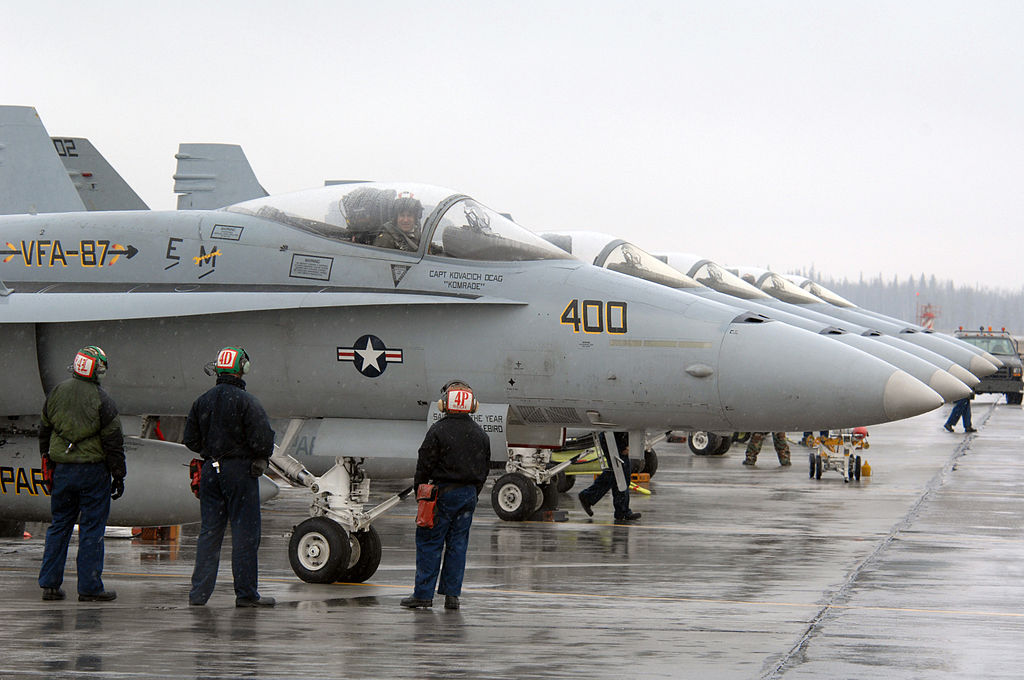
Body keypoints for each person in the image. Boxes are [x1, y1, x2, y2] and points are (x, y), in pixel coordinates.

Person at [184, 347, 276, 607]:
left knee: (209, 533)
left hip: (210, 471)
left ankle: (198, 595)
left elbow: (190, 439)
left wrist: (211, 450)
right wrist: (252, 454)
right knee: (245, 534)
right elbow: (263, 440)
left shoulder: (202, 400)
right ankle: (246, 594)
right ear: (241, 368)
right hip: (239, 473)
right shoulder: (247, 401)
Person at [38, 346, 126, 602]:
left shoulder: (56, 392)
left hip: (62, 471)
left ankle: (50, 585)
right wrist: (119, 474)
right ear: (97, 370)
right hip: (93, 473)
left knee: (59, 526)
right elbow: (113, 442)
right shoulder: (103, 400)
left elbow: (44, 431)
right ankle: (89, 587)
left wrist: (48, 462)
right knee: (91, 529)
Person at [401, 380, 491, 610]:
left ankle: (423, 595)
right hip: (468, 496)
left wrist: (420, 489)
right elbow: (484, 469)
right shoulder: (480, 434)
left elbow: (424, 464)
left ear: (444, 405)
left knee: (430, 544)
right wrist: (471, 492)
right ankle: (452, 596)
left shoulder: (438, 431)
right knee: (457, 546)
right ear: (472, 406)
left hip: (441, 495)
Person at [577, 431, 641, 522]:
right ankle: (588, 496)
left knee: (618, 474)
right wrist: (623, 445)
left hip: (614, 437)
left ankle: (621, 511)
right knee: (619, 473)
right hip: (613, 437)